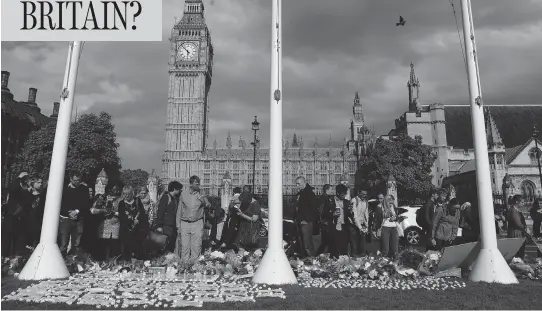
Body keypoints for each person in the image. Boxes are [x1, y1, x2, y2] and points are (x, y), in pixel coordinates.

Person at [177, 175, 210, 264]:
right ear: (191, 184)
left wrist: (203, 200)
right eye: (196, 183)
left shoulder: (201, 193)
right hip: (185, 223)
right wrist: (178, 226)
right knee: (185, 247)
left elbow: (208, 206)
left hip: (197, 223)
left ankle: (195, 267)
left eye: (199, 183)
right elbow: (179, 210)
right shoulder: (183, 194)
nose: (198, 185)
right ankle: (184, 267)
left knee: (196, 247)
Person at [58, 171, 90, 256]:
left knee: (76, 243)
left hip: (79, 218)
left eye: (79, 180)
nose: (77, 182)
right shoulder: (64, 188)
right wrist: (69, 213)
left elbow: (86, 203)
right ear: (71, 179)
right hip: (65, 218)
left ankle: (73, 262)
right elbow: (60, 203)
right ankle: (62, 261)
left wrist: (76, 212)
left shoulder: (84, 189)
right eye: (75, 180)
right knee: (63, 243)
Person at [2, 172, 33, 256]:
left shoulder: (28, 191)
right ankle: (3, 258)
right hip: (11, 216)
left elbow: (27, 204)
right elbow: (13, 189)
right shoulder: (15, 189)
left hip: (21, 219)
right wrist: (19, 178)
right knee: (6, 240)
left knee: (17, 241)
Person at [90, 186, 122, 261]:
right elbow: (92, 210)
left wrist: (114, 213)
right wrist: (102, 210)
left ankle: (113, 260)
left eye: (114, 194)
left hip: (115, 223)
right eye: (110, 194)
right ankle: (102, 259)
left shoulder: (120, 200)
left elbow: (123, 213)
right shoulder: (101, 198)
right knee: (104, 242)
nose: (111, 197)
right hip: (104, 223)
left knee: (114, 242)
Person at [118, 185, 149, 260]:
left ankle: (138, 266)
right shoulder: (121, 203)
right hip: (126, 230)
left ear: (132, 193)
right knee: (126, 250)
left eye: (128, 193)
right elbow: (122, 216)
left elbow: (142, 214)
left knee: (138, 249)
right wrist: (131, 220)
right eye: (125, 194)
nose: (127, 195)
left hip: (137, 230)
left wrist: (138, 220)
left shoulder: (137, 201)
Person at [321, 184, 350, 258]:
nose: (344, 196)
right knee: (334, 249)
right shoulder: (329, 201)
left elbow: (349, 215)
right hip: (334, 227)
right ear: (337, 193)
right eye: (343, 194)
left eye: (345, 194)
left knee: (344, 249)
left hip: (344, 227)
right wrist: (332, 214)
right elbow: (323, 214)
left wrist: (351, 211)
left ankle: (344, 265)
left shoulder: (347, 202)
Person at [155, 181, 182, 253]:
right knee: (164, 245)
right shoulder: (166, 197)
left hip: (172, 226)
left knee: (170, 246)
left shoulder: (175, 199)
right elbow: (160, 212)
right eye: (179, 189)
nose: (180, 191)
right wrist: (159, 226)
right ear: (174, 189)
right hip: (165, 226)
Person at [294, 176, 317, 258]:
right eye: (296, 184)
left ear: (304, 182)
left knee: (307, 244)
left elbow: (313, 208)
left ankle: (312, 260)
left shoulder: (309, 193)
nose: (297, 186)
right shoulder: (301, 193)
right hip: (300, 221)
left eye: (298, 183)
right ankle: (305, 260)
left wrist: (307, 220)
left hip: (306, 222)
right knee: (302, 243)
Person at [375, 195, 400, 259]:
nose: (391, 204)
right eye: (390, 203)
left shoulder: (393, 207)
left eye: (392, 202)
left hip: (394, 228)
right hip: (385, 228)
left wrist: (395, 218)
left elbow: (397, 216)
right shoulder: (379, 208)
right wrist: (377, 230)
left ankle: (395, 263)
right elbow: (377, 220)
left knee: (395, 248)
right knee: (386, 249)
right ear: (386, 201)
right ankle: (383, 262)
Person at [348, 189, 370, 257]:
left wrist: (366, 226)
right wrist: (360, 227)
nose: (364, 196)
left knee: (362, 243)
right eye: (363, 194)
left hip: (361, 224)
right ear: (358, 193)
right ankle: (353, 258)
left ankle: (362, 259)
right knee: (354, 244)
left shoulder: (366, 202)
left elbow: (366, 215)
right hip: (353, 225)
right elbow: (355, 216)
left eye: (365, 194)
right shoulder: (354, 200)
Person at [507, 194, 529, 259]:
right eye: (522, 202)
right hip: (515, 234)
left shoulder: (516, 210)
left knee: (521, 252)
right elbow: (517, 224)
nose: (523, 203)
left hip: (519, 234)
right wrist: (525, 228)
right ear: (517, 202)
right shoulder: (513, 211)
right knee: (517, 254)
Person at [316, 184, 333, 256]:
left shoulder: (323, 198)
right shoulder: (325, 198)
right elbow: (322, 211)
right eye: (331, 189)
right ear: (327, 190)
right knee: (326, 241)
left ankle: (322, 255)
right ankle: (319, 255)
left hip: (324, 222)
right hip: (325, 223)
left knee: (326, 242)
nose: (332, 191)